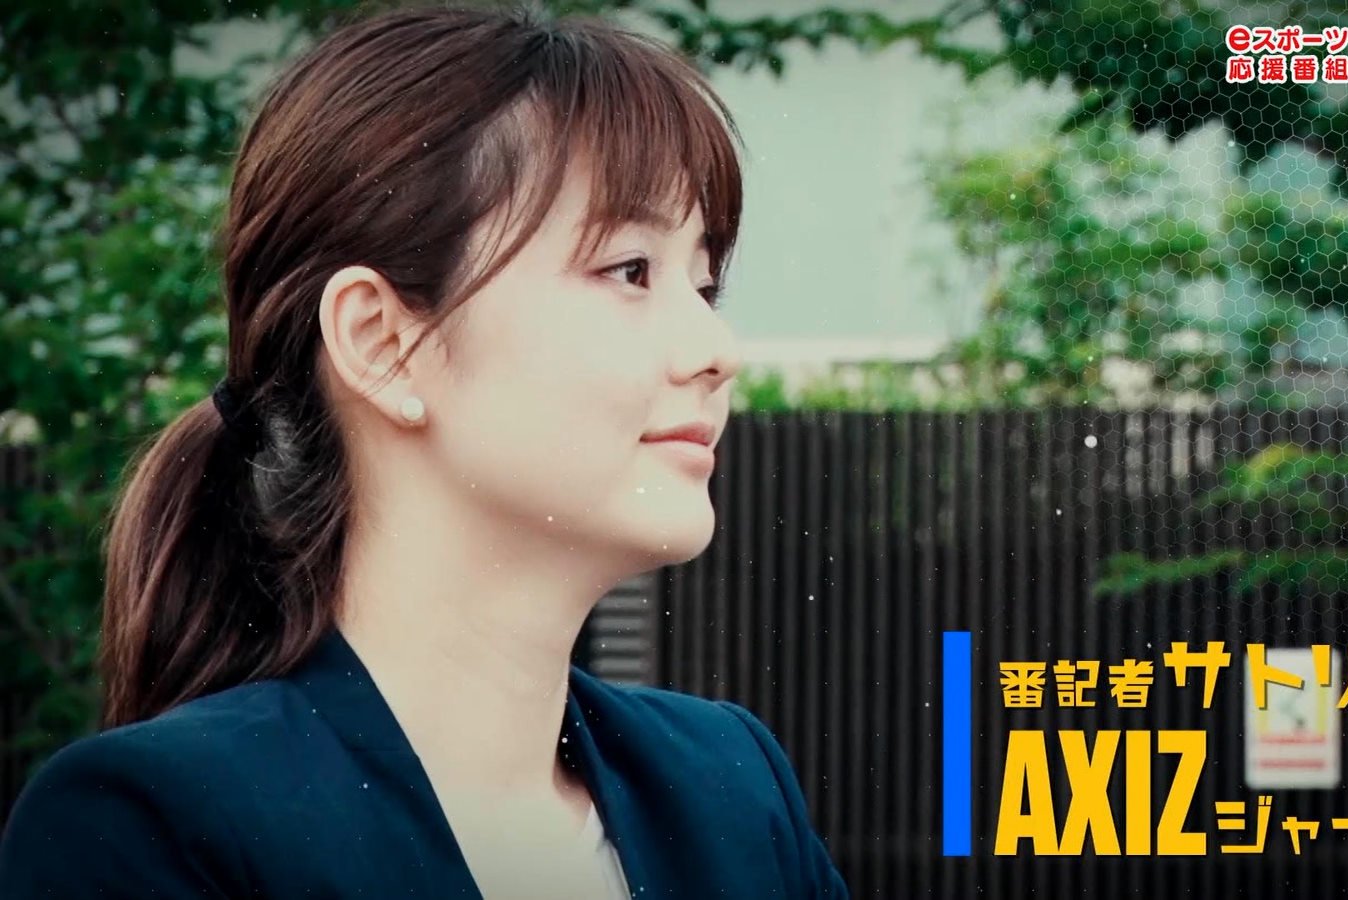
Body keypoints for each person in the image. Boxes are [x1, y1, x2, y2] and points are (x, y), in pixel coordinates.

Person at [0, 5, 848, 898]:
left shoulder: (728, 791)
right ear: (381, 342)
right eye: (629, 270)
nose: (716, 350)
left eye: (705, 285)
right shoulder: (155, 830)